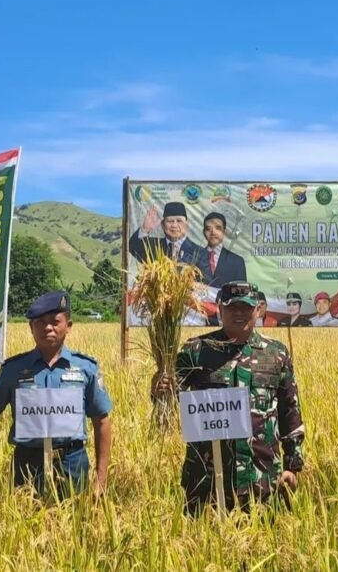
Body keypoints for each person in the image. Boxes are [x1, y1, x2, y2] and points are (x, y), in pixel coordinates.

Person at [154, 281, 305, 514]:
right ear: (219, 310)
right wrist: (160, 389)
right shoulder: (196, 351)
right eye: (232, 307)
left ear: (259, 309)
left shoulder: (276, 354)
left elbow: (290, 411)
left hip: (262, 479)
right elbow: (173, 400)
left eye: (246, 307)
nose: (239, 313)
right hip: (206, 481)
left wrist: (292, 465)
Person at [0, 290, 113, 497]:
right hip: (27, 465)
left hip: (71, 463)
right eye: (40, 322)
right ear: (31, 328)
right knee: (23, 523)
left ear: (68, 326)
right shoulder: (13, 370)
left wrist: (101, 478)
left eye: (55, 321)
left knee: (75, 524)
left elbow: (102, 421)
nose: (48, 328)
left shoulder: (85, 369)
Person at [128, 202, 204, 265]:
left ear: (187, 225)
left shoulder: (200, 253)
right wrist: (145, 229)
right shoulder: (153, 246)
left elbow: (207, 281)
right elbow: (133, 247)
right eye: (170, 221)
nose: (174, 225)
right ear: (163, 225)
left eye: (179, 221)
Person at [196, 211, 247, 287]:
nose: (213, 232)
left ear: (224, 232)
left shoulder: (237, 262)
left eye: (218, 228)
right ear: (204, 232)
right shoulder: (193, 259)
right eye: (208, 228)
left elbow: (241, 293)